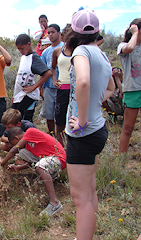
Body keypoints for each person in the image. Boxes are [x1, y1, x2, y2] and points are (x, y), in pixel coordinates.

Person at [65, 10, 114, 240]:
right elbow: (111, 88)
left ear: (75, 31)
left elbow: (83, 81)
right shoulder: (102, 55)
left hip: (83, 134)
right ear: (97, 31)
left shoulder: (81, 51)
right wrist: (93, 106)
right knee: (90, 191)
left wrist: (82, 120)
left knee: (80, 198)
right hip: (98, 131)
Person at [0, 126, 66, 216]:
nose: (15, 146)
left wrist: (3, 162)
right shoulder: (28, 145)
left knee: (40, 167)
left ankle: (55, 203)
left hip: (58, 158)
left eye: (15, 143)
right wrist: (19, 168)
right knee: (22, 153)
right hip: (47, 158)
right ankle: (50, 175)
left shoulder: (30, 132)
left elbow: (14, 150)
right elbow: (32, 162)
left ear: (17, 138)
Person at [13, 34, 52, 122]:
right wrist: (15, 96)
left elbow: (48, 73)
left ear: (29, 44)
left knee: (23, 121)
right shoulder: (24, 57)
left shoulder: (34, 57)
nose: (20, 51)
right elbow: (20, 78)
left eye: (22, 48)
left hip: (30, 95)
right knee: (14, 118)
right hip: (20, 95)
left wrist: (34, 87)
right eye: (18, 49)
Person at [118, 18, 141, 153]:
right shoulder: (123, 46)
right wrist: (135, 34)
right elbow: (130, 48)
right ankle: (122, 161)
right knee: (128, 128)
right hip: (132, 90)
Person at [40, 24, 64, 135]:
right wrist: (40, 88)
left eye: (53, 32)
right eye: (48, 32)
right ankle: (51, 135)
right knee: (49, 113)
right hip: (48, 87)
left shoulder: (65, 48)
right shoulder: (46, 52)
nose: (50, 35)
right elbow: (43, 71)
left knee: (61, 113)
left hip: (63, 87)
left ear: (59, 33)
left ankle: (61, 136)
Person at [51, 24, 72, 146]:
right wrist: (54, 80)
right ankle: (60, 149)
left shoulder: (79, 50)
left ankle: (72, 147)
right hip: (62, 89)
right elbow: (53, 68)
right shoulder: (58, 51)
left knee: (74, 120)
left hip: (75, 89)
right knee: (60, 122)